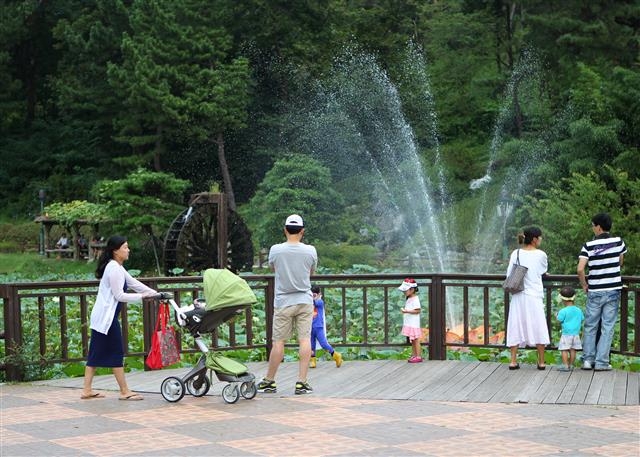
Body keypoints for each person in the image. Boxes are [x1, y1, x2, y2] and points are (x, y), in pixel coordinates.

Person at [81, 235, 157, 400]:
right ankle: (124, 392)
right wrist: (142, 297)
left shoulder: (116, 267)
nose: (128, 250)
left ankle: (87, 390)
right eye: (125, 247)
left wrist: (155, 294)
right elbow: (120, 295)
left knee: (95, 353)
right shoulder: (114, 268)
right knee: (116, 351)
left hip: (102, 317)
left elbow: (134, 283)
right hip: (106, 319)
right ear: (115, 251)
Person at [257, 214, 318, 395]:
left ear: (285, 230)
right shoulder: (310, 250)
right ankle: (302, 382)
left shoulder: (276, 250)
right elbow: (311, 272)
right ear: (302, 231)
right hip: (304, 300)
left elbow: (273, 268)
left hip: (283, 301)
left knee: (278, 342)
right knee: (305, 340)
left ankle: (270, 381)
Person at [577, 212, 627, 371]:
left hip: (595, 290)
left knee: (590, 325)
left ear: (598, 227)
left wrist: (584, 284)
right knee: (607, 326)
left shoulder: (588, 245)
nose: (592, 228)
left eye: (593, 226)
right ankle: (601, 362)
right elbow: (620, 262)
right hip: (612, 289)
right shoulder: (618, 242)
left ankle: (587, 360)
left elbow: (580, 269)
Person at [506, 226, 550, 370]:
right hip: (534, 295)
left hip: (518, 294)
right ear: (535, 239)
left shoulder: (516, 253)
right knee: (538, 325)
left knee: (515, 324)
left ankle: (513, 361)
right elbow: (543, 270)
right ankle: (541, 361)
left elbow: (509, 274)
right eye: (540, 237)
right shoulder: (541, 255)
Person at [309, 285, 343, 368]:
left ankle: (336, 355)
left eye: (314, 295)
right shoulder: (309, 303)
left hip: (318, 327)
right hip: (310, 327)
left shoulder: (320, 302)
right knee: (311, 345)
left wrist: (312, 298)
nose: (312, 297)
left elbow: (314, 303)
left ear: (318, 294)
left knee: (324, 343)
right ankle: (312, 360)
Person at [556, 286, 584, 372]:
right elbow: (582, 318)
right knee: (573, 349)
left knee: (564, 349)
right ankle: (571, 365)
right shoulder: (578, 310)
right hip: (576, 333)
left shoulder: (563, 311)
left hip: (566, 333)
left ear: (562, 299)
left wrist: (556, 315)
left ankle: (565, 365)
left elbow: (559, 320)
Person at [399, 278, 423, 363]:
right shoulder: (409, 298)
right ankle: (414, 355)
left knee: (416, 340)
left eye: (405, 290)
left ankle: (418, 356)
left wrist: (407, 311)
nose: (404, 292)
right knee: (412, 340)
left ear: (412, 289)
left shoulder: (415, 299)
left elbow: (418, 310)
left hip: (414, 323)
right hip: (409, 322)